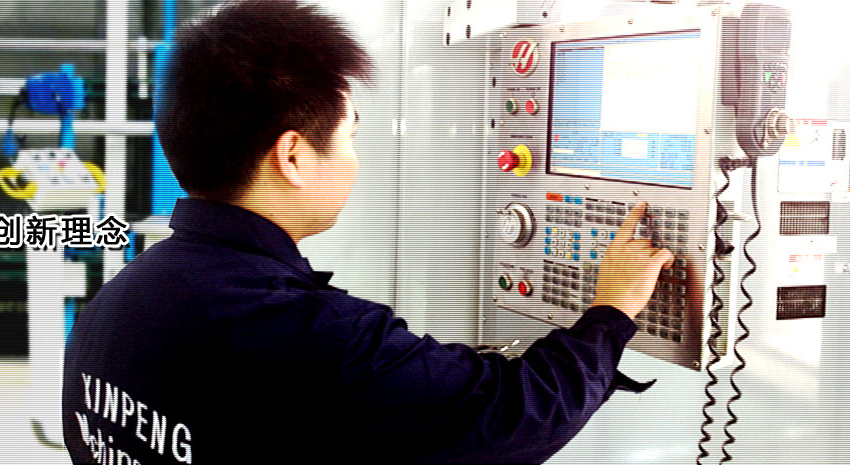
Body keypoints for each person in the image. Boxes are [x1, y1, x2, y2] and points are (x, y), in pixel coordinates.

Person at [62, 0, 673, 463]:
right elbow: (510, 416)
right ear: (293, 157)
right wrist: (612, 310)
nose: (355, 160)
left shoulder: (117, 303)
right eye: (349, 136)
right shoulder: (312, 335)